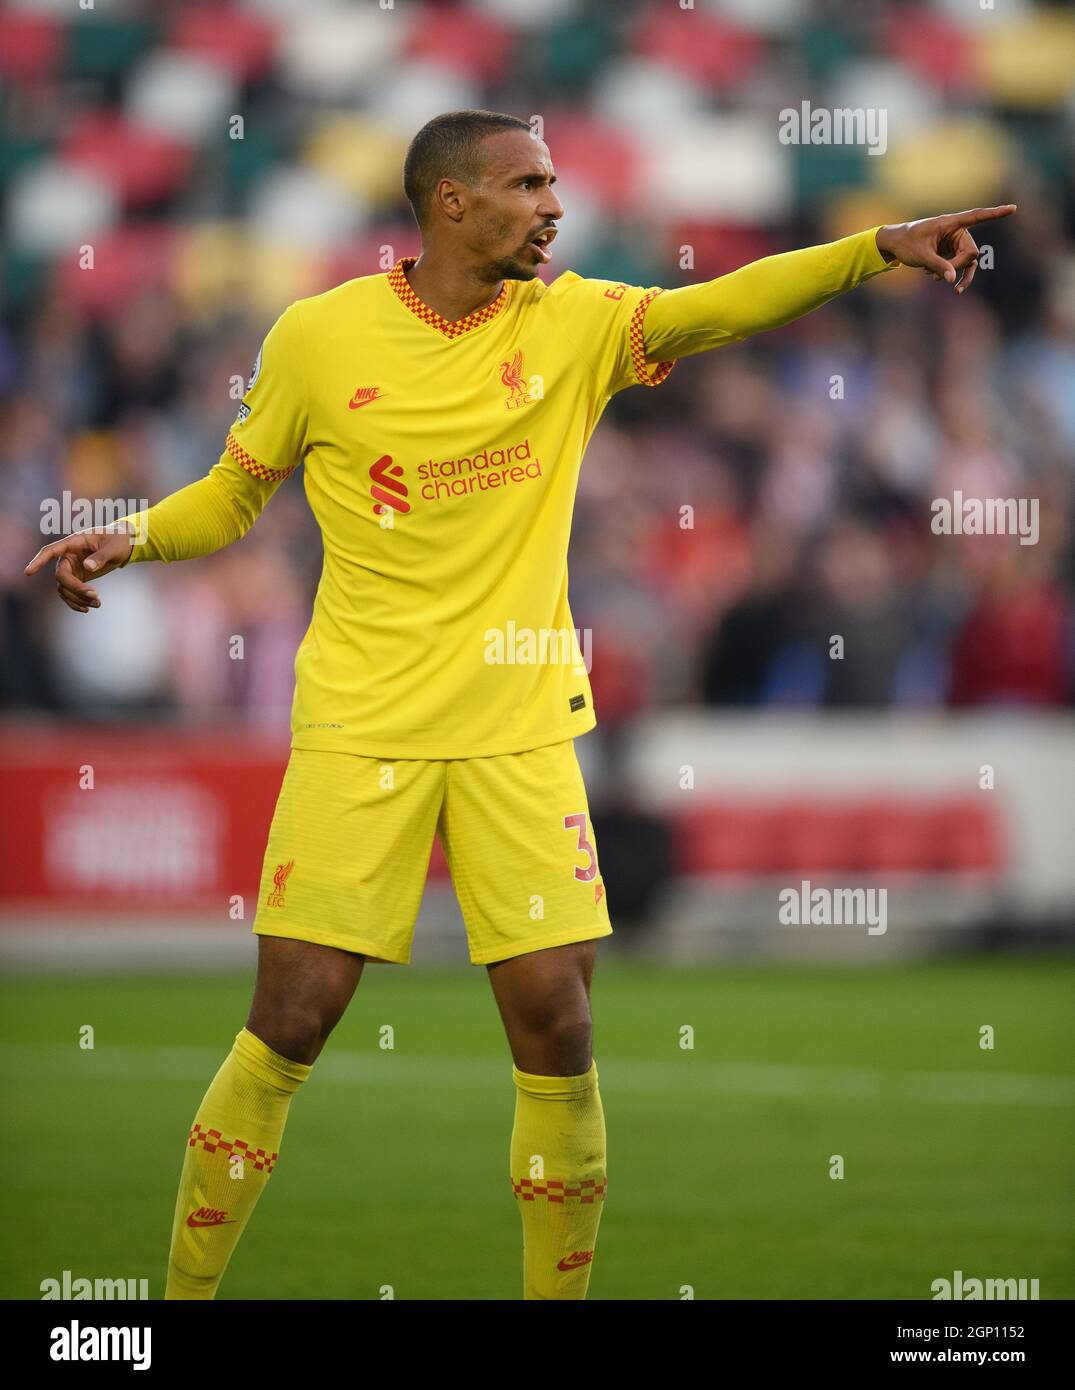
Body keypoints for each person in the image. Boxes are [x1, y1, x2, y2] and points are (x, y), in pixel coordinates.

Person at [25, 108, 1015, 1300]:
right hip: (363, 722)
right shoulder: (317, 337)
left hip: (520, 726)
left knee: (559, 1028)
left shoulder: (577, 323)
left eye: (554, 182)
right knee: (291, 1013)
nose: (554, 204)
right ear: (450, 202)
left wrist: (875, 246)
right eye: (526, 184)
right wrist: (125, 536)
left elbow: (726, 303)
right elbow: (235, 497)